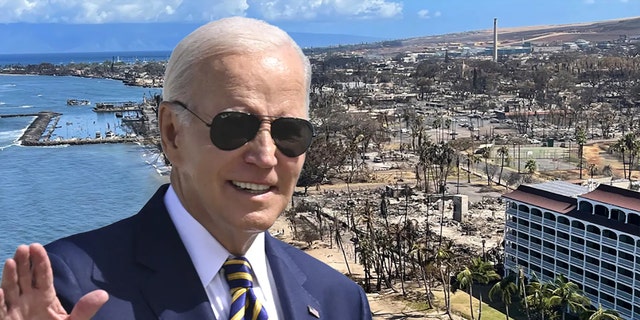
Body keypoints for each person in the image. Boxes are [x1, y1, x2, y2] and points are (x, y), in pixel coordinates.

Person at [0, 16, 372, 320]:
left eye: (289, 132)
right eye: (234, 127)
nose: (265, 156)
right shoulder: (62, 289)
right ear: (172, 133)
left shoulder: (340, 301)